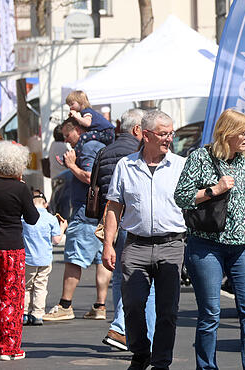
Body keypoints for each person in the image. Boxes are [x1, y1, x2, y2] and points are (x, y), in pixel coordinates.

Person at [174, 109, 245, 370]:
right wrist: (215, 189)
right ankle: (206, 367)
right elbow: (181, 196)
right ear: (227, 134)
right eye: (243, 132)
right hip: (207, 244)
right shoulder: (200, 157)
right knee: (210, 314)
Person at [102, 110, 186, 370]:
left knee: (167, 311)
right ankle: (140, 352)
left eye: (171, 133)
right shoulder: (126, 166)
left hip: (172, 245)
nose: (168, 139)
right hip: (135, 244)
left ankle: (161, 362)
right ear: (146, 134)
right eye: (163, 133)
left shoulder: (181, 166)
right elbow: (114, 206)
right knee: (133, 304)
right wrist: (108, 244)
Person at [95, 109, 156, 351]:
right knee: (142, 280)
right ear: (137, 130)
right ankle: (122, 328)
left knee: (121, 279)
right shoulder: (137, 154)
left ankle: (127, 333)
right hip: (132, 222)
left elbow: (98, 188)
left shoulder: (104, 150)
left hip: (111, 220)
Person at [43, 118, 112, 321]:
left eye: (68, 135)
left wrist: (71, 165)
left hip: (86, 212)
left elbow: (90, 177)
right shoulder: (99, 144)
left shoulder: (88, 147)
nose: (66, 141)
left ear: (79, 130)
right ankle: (100, 305)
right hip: (101, 212)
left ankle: (66, 304)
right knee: (102, 259)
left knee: (74, 259)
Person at [0, 141, 39, 360]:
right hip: (11, 248)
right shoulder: (20, 188)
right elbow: (33, 218)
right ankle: (8, 348)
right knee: (10, 298)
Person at [22, 190, 66, 326]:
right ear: (46, 204)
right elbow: (56, 240)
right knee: (40, 286)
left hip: (28, 258)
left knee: (26, 287)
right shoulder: (51, 218)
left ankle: (23, 313)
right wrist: (63, 227)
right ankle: (37, 314)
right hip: (45, 259)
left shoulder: (23, 218)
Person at [65, 90, 116, 155]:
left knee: (83, 137)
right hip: (107, 133)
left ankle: (74, 155)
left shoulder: (86, 111)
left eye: (72, 104)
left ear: (81, 102)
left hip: (106, 133)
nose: (70, 107)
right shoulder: (85, 112)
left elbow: (87, 123)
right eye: (69, 105)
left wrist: (77, 117)